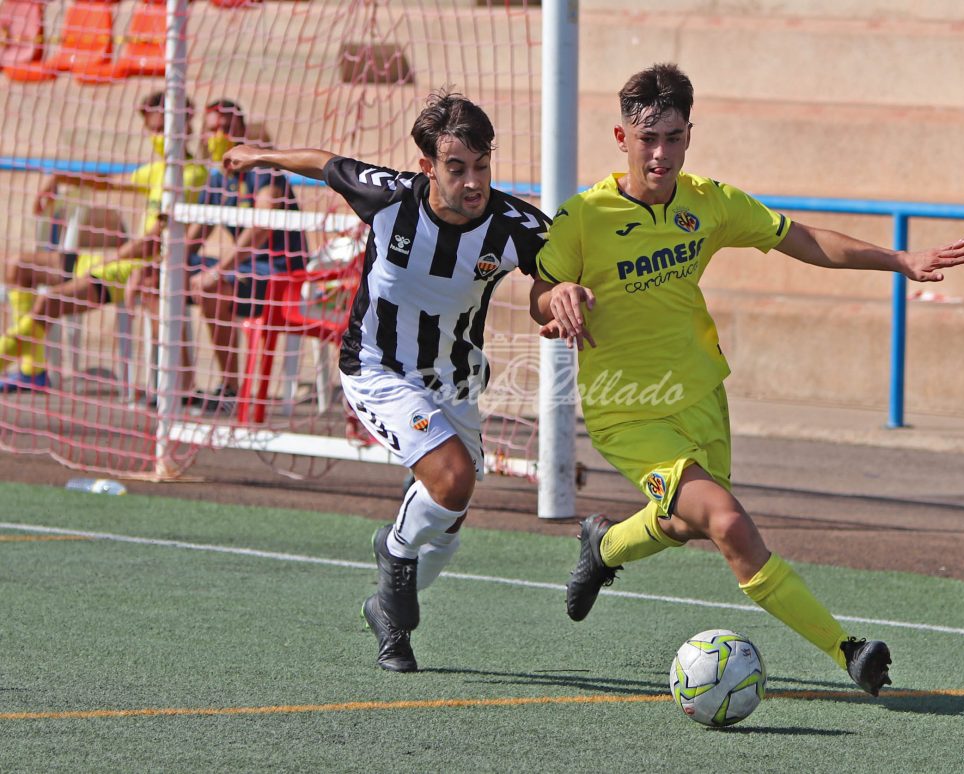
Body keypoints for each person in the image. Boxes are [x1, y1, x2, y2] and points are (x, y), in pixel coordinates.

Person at [530, 63, 964, 696]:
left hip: (703, 395)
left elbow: (804, 240)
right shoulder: (584, 217)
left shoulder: (709, 202)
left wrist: (897, 259)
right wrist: (561, 298)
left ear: (690, 136)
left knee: (688, 522)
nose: (660, 154)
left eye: (674, 138)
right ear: (620, 137)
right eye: (647, 139)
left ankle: (602, 550)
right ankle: (847, 649)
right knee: (730, 523)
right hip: (627, 410)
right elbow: (540, 297)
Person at [221, 90, 552, 672]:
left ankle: (388, 613)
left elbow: (548, 284)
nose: (473, 181)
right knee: (450, 480)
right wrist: (259, 155)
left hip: (456, 381)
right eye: (456, 168)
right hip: (376, 368)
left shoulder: (515, 224)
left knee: (451, 519)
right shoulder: (387, 197)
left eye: (482, 165)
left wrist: (559, 301)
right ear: (428, 166)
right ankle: (392, 549)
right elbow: (324, 164)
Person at [0, 91, 208, 393]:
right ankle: (33, 372)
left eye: (160, 128)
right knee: (19, 267)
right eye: (151, 130)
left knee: (50, 301)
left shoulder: (190, 176)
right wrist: (62, 178)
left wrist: (116, 257)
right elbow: (109, 182)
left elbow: (157, 240)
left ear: (183, 126)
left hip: (137, 268)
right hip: (117, 261)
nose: (155, 137)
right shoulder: (158, 170)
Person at [182, 99, 310, 413]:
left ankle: (231, 388)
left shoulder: (263, 169)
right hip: (245, 271)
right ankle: (181, 386)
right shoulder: (217, 180)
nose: (219, 135)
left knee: (213, 284)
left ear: (241, 131)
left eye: (226, 128)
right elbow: (195, 235)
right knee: (159, 280)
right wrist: (167, 267)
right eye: (213, 129)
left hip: (282, 273)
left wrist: (218, 269)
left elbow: (262, 227)